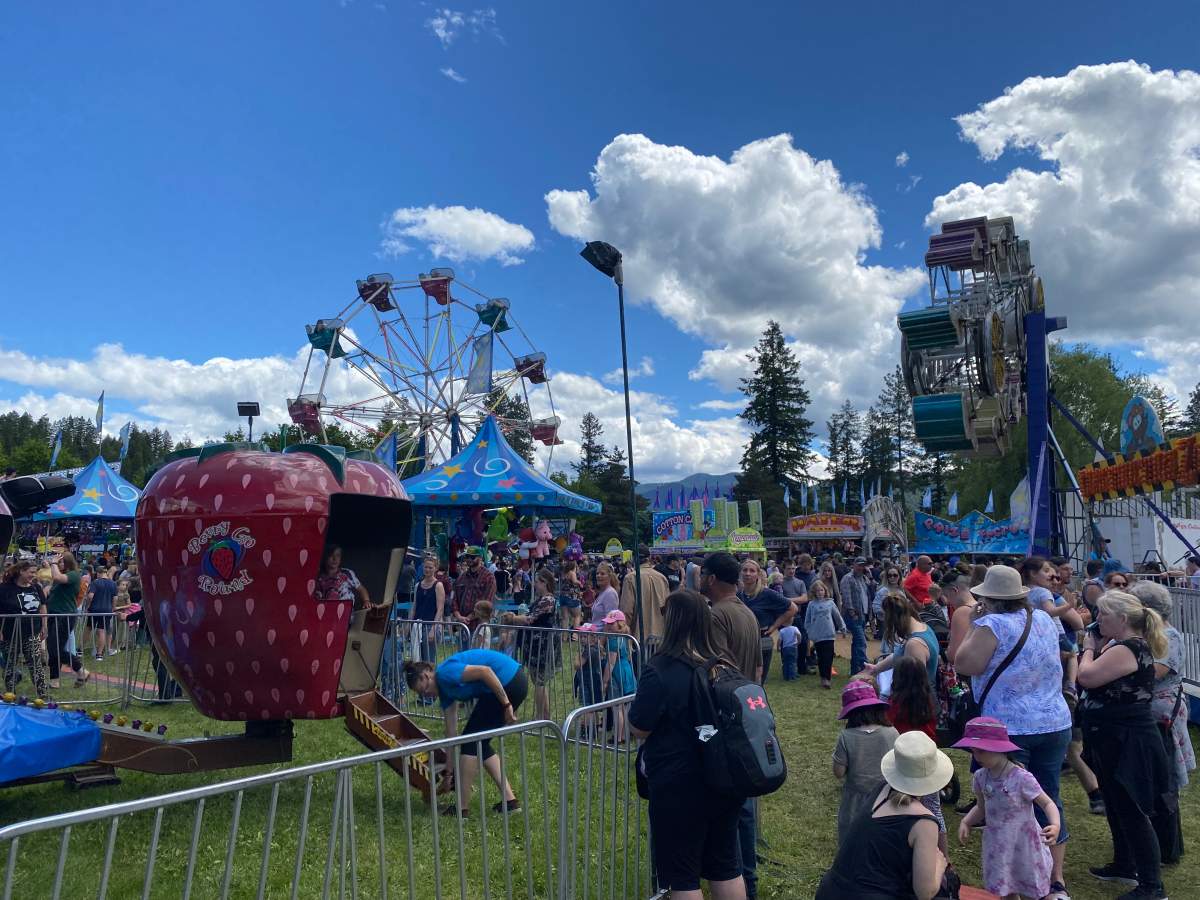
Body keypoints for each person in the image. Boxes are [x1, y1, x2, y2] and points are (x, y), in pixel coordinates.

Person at [952, 564, 1072, 900]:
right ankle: (1055, 881)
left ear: (987, 598)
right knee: (1047, 796)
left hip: (1010, 728)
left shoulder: (990, 624)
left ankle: (1016, 875)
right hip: (1054, 719)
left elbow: (964, 663)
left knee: (1009, 802)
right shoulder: (1045, 619)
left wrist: (974, 623)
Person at [628, 589, 746, 900]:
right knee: (725, 865)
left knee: (681, 874)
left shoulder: (661, 669)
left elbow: (639, 726)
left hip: (679, 783)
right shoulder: (725, 663)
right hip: (725, 777)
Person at [1078, 591, 1171, 899]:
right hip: (1111, 737)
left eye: (1103, 614)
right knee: (1117, 806)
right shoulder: (1121, 646)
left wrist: (1088, 650)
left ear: (1121, 619)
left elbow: (1087, 676)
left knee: (1131, 810)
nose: (1097, 619)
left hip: (1127, 740)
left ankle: (1151, 886)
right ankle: (1124, 864)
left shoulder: (1128, 647)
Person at [816, 731, 951, 900]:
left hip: (831, 891)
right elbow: (925, 892)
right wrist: (939, 864)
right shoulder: (924, 823)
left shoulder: (881, 790)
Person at [698, 553, 762, 897]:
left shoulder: (718, 614)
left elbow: (717, 671)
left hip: (728, 718)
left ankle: (736, 878)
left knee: (730, 811)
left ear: (710, 578)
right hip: (748, 712)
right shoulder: (746, 612)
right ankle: (746, 880)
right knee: (744, 807)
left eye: (702, 573)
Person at [404, 648, 527, 817]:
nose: (426, 695)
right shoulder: (445, 693)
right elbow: (451, 734)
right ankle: (510, 802)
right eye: (421, 694)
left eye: (424, 690)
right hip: (508, 684)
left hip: (509, 681)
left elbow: (486, 672)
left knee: (470, 744)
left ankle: (462, 810)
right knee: (479, 744)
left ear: (427, 676)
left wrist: (506, 705)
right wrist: (448, 773)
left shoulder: (445, 673)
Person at [954, 717, 1059, 900]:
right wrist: (966, 821)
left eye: (981, 752)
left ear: (999, 749)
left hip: (1024, 842)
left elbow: (1047, 803)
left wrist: (1055, 824)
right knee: (1006, 886)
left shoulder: (1021, 777)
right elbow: (981, 806)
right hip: (998, 843)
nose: (977, 757)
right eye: (973, 752)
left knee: (1034, 884)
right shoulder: (980, 777)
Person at [1130, 580, 1195, 861]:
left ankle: (1166, 846)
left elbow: (1152, 673)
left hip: (1162, 714)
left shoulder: (1168, 635)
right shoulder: (1153, 634)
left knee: (1164, 779)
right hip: (1155, 712)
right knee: (1156, 778)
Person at [833, 681, 897, 845]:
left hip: (855, 799)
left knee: (851, 837)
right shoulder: (892, 733)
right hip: (886, 796)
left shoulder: (846, 737)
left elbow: (838, 772)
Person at [857, 593, 939, 689]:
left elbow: (914, 688)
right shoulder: (923, 628)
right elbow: (899, 653)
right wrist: (876, 668)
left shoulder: (914, 645)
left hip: (917, 701)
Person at [510, 570, 560, 721]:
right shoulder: (542, 599)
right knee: (539, 681)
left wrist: (513, 618)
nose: (535, 585)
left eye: (537, 582)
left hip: (541, 646)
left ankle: (541, 716)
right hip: (535, 645)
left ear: (545, 583)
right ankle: (544, 715)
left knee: (539, 682)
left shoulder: (547, 600)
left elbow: (530, 619)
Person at [737, 559, 794, 683]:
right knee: (742, 681)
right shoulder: (738, 595)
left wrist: (774, 626)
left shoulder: (767, 594)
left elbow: (792, 608)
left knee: (757, 683)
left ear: (758, 574)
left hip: (762, 641)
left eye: (752, 571)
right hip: (742, 642)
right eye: (745, 570)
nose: (747, 573)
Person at [0, 561, 49, 699]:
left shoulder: (36, 588)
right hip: (9, 633)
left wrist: (45, 625)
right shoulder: (4, 588)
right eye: (31, 572)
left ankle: (43, 694)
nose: (33, 575)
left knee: (36, 663)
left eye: (35, 572)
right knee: (10, 664)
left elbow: (43, 606)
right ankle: (10, 694)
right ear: (21, 571)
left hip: (31, 632)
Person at [45, 552, 87, 689]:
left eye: (62, 562)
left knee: (54, 648)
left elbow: (57, 576)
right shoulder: (62, 578)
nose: (59, 564)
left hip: (64, 616)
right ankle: (54, 680)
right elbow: (52, 584)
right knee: (53, 649)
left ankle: (81, 670)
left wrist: (53, 563)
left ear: (68, 562)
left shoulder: (74, 575)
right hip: (54, 615)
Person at [601, 609, 637, 740]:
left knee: (617, 707)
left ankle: (618, 736)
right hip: (627, 671)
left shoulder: (613, 640)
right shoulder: (626, 637)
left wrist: (605, 681)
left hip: (617, 674)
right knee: (625, 706)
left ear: (620, 624)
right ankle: (624, 734)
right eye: (607, 623)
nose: (608, 626)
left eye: (612, 623)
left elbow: (611, 663)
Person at [803, 580, 845, 689]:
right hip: (817, 634)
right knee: (821, 657)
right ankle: (823, 677)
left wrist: (843, 627)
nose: (820, 592)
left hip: (829, 633)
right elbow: (807, 620)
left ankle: (827, 678)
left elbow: (837, 616)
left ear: (825, 591)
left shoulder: (830, 603)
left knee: (829, 656)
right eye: (817, 591)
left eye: (821, 590)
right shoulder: (811, 604)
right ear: (814, 592)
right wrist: (809, 631)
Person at [619, 551, 670, 639]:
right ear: (649, 558)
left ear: (633, 559)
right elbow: (668, 606)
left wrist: (625, 635)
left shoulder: (630, 578)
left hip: (638, 636)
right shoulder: (662, 578)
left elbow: (626, 610)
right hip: (660, 635)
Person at [839, 558, 873, 675]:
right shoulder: (847, 578)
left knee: (857, 643)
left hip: (863, 614)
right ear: (853, 565)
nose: (861, 568)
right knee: (861, 641)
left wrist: (870, 574)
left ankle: (855, 670)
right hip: (853, 615)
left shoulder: (864, 578)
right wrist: (852, 612)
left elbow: (872, 588)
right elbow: (846, 596)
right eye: (859, 565)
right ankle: (866, 670)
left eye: (863, 566)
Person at [451, 548, 496, 628]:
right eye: (467, 556)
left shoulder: (488, 577)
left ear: (480, 558)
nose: (469, 559)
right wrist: (458, 616)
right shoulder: (461, 577)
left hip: (479, 624)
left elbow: (487, 602)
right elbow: (454, 599)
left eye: (472, 557)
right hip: (461, 624)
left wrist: (468, 618)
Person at [412, 557, 445, 663]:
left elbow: (440, 609)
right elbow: (414, 606)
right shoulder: (418, 585)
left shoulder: (438, 585)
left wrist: (433, 629)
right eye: (426, 567)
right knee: (417, 660)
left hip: (430, 625)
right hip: (417, 625)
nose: (427, 570)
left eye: (430, 567)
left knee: (429, 661)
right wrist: (409, 625)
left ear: (435, 568)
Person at [84, 566, 118, 660]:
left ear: (98, 573)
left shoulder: (95, 582)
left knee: (88, 628)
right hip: (107, 610)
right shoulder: (113, 583)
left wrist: (87, 606)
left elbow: (90, 596)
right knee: (102, 631)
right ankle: (99, 654)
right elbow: (115, 598)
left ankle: (80, 649)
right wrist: (113, 608)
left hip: (94, 609)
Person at [590, 562, 620, 626]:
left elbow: (610, 622)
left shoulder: (610, 593)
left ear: (609, 576)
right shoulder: (602, 592)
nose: (598, 576)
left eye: (602, 574)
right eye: (597, 573)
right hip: (595, 634)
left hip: (602, 635)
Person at [559, 560, 583, 630]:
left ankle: (564, 637)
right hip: (571, 596)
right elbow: (574, 581)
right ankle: (574, 635)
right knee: (577, 616)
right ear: (573, 566)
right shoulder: (572, 573)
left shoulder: (564, 573)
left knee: (565, 618)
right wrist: (580, 583)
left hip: (562, 596)